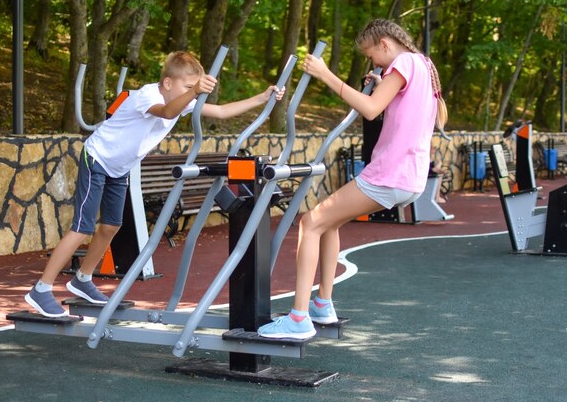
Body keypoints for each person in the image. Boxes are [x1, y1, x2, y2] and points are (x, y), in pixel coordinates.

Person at [26, 51, 284, 318]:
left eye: (192, 88)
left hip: (119, 168)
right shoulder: (147, 95)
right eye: (186, 87)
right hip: (98, 158)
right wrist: (194, 90)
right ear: (168, 83)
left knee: (112, 225)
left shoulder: (180, 100)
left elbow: (219, 111)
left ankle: (83, 278)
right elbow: (166, 111)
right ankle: (42, 289)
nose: (191, 93)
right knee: (82, 227)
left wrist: (262, 98)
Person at [258, 18, 448, 339]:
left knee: (309, 223)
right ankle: (322, 304)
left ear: (385, 44)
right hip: (410, 177)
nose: (372, 61)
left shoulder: (402, 62)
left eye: (372, 55)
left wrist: (324, 74)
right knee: (328, 222)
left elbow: (371, 109)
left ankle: (298, 318)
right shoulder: (423, 66)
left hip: (389, 173)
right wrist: (383, 80)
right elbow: (414, 112)